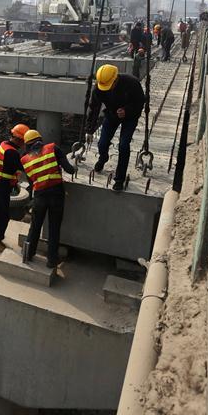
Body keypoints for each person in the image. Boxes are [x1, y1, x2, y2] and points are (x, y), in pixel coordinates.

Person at [20, 129, 76, 269]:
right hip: (56, 194)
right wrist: (73, 162)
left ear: (27, 144)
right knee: (54, 228)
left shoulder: (25, 160)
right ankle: (51, 260)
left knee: (35, 226)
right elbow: (70, 170)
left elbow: (32, 182)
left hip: (39, 196)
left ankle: (28, 254)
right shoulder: (52, 148)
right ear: (40, 139)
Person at [85, 64, 146, 192]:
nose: (106, 89)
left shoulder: (132, 83)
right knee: (102, 142)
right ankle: (103, 158)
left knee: (123, 145)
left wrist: (127, 111)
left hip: (130, 117)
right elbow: (94, 107)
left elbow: (140, 102)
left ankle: (119, 179)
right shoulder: (100, 87)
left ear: (115, 79)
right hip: (112, 114)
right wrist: (90, 130)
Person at [0, 123, 29, 252]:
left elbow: (9, 168)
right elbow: (23, 167)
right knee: (2, 215)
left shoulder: (4, 145)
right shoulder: (12, 153)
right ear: (19, 139)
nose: (24, 144)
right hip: (2, 187)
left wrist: (14, 180)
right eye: (24, 141)